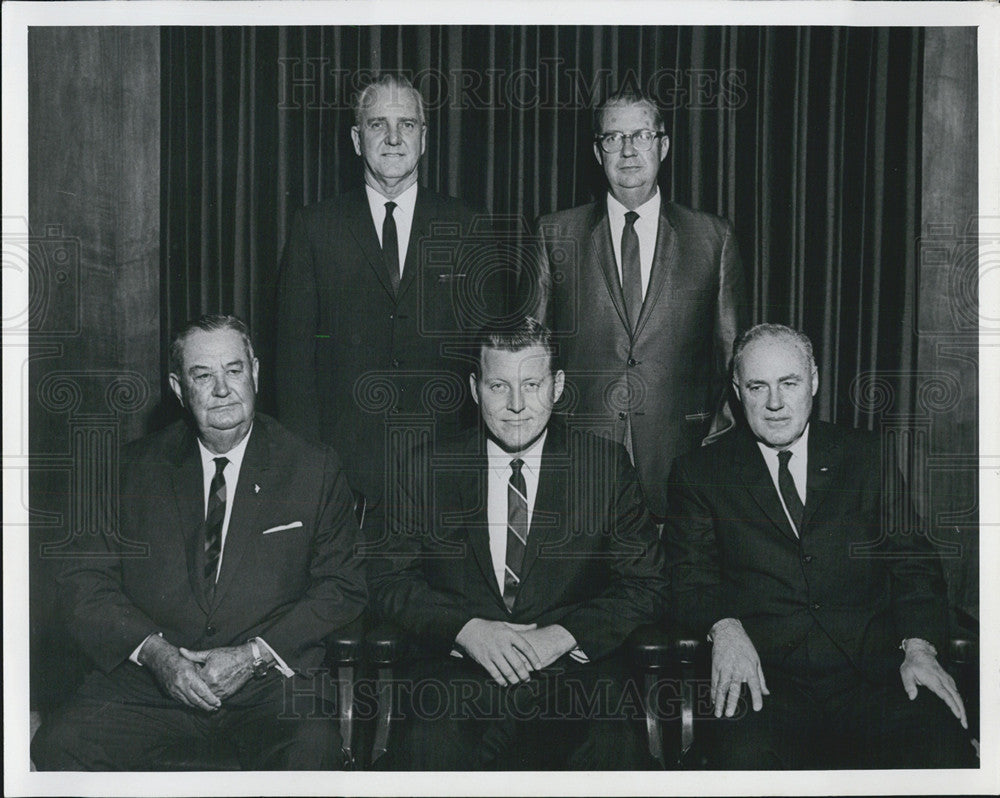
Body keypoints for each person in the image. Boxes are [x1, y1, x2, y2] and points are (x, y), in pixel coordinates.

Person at [31, 314, 367, 770]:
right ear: (177, 387)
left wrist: (253, 656)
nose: (223, 389)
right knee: (57, 744)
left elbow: (342, 587)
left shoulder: (313, 467)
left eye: (234, 370)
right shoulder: (126, 471)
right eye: (203, 375)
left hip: (269, 686)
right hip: (150, 687)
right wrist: (157, 655)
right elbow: (84, 584)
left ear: (256, 372)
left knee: (313, 747)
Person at [664, 323, 976, 769]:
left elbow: (914, 565)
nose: (775, 403)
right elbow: (688, 576)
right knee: (744, 763)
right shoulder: (700, 473)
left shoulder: (868, 457)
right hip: (767, 688)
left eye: (788, 383)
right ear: (737, 390)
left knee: (942, 751)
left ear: (813, 380)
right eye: (758, 386)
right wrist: (724, 626)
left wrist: (919, 648)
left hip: (875, 681)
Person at [369, 318, 668, 770]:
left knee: (615, 749)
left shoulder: (604, 467)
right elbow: (388, 579)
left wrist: (562, 637)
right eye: (498, 386)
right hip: (457, 677)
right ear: (474, 388)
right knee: (425, 748)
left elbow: (646, 584)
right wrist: (467, 630)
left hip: (574, 677)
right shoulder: (425, 467)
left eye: (531, 384)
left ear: (557, 386)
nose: (516, 405)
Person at [276, 73, 504, 531]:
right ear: (358, 140)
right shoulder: (315, 227)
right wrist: (311, 474)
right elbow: (292, 362)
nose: (395, 138)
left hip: (445, 474)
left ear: (424, 137)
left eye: (407, 124)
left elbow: (491, 359)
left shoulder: (468, 225)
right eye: (379, 124)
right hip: (344, 480)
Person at [529, 86, 748, 519]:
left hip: (679, 465)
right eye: (613, 138)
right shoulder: (555, 233)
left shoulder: (713, 238)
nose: (628, 150)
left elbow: (733, 357)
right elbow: (530, 353)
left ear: (663, 145)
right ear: (598, 152)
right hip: (580, 462)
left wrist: (714, 443)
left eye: (642, 135)